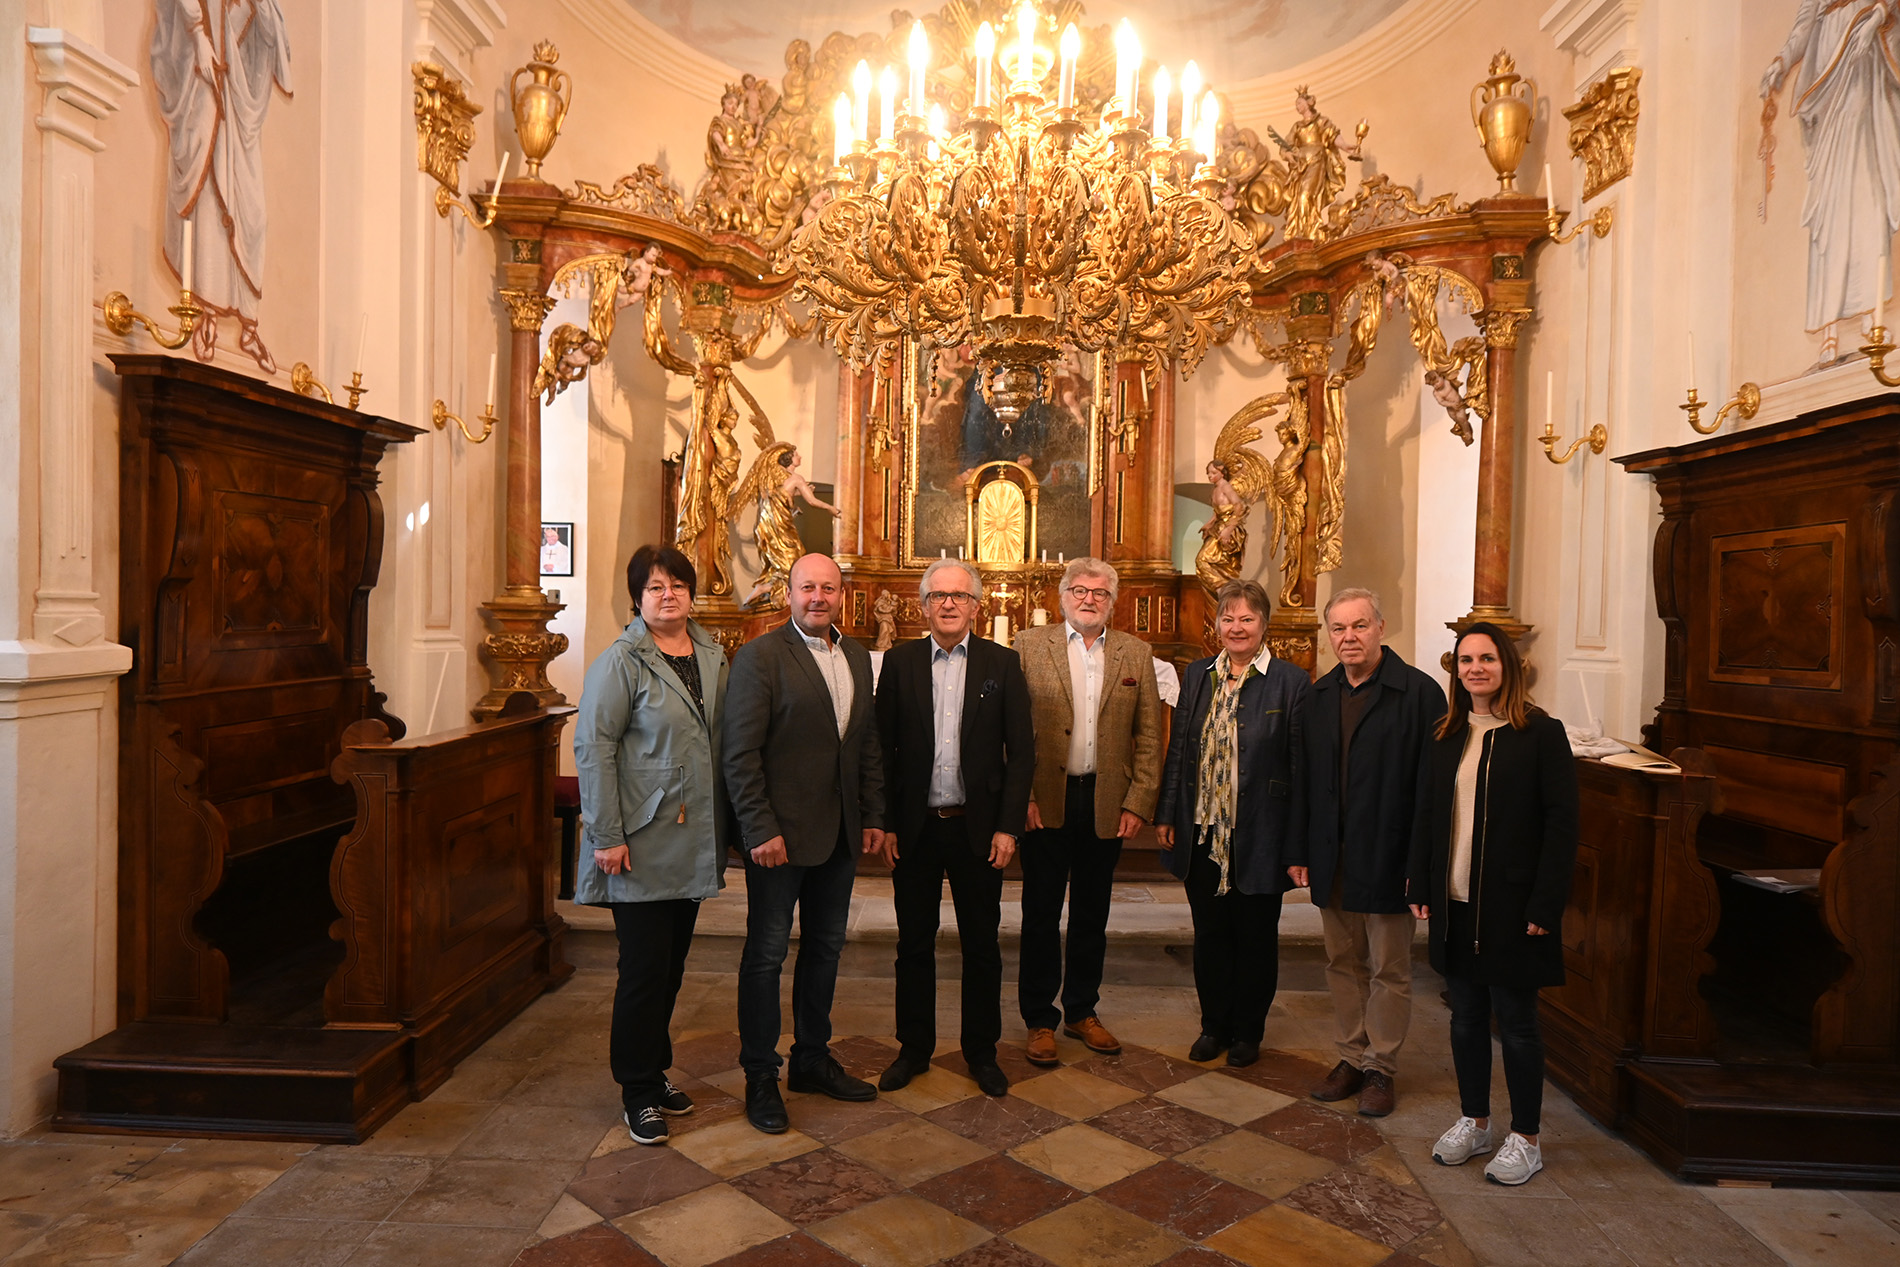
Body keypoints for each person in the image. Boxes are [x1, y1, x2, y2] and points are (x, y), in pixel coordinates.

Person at [1407, 622, 1579, 1186]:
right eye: (1465, 660)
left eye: (1487, 658)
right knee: (1465, 1017)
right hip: (1455, 900)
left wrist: (1545, 904)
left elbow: (1561, 825)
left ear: (1508, 665)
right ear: (1455, 670)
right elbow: (1427, 816)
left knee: (1519, 1022)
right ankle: (1475, 1120)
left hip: (1512, 903)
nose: (1476, 668)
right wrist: (1420, 884)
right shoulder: (1446, 733)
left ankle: (1526, 1137)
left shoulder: (1540, 733)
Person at [573, 545, 731, 1147]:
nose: (668, 595)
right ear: (637, 598)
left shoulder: (713, 654)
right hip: (638, 840)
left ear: (691, 593)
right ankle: (637, 1091)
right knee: (642, 970)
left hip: (691, 839)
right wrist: (606, 836)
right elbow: (594, 749)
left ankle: (654, 1069)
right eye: (655, 587)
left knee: (670, 967)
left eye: (678, 585)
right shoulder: (620, 662)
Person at [723, 554, 886, 1134]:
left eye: (828, 588)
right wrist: (758, 828)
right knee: (766, 956)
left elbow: (863, 744)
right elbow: (739, 753)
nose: (818, 597)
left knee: (825, 950)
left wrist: (871, 814)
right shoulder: (761, 656)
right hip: (780, 840)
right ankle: (760, 1074)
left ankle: (811, 1059)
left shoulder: (859, 656)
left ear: (843, 595)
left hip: (839, 834)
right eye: (807, 587)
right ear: (788, 593)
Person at [873, 558, 1034, 1097]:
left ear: (976, 607)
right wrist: (888, 823)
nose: (948, 604)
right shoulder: (898, 663)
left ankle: (981, 1052)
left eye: (959, 596)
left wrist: (1009, 827)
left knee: (982, 946)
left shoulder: (1002, 664)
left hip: (978, 830)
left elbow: (1023, 754)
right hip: (915, 830)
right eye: (938, 595)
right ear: (922, 606)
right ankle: (913, 1049)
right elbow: (883, 751)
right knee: (912, 944)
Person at [1286, 588, 1445, 1117]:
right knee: (1341, 961)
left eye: (1359, 626)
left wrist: (1420, 868)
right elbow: (1304, 780)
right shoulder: (1319, 693)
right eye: (1338, 629)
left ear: (1380, 627)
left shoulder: (1419, 694)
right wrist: (1301, 849)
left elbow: (1430, 791)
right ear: (1328, 635)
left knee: (1389, 969)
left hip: (1390, 856)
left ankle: (1382, 1066)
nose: (1348, 637)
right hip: (1333, 855)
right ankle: (1351, 1057)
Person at [1155, 579, 1310, 1068]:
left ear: (1264, 625)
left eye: (1246, 618)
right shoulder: (1198, 674)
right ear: (1216, 625)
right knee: (1211, 935)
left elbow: (1300, 764)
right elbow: (1180, 746)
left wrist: (1295, 843)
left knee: (1256, 938)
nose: (1236, 627)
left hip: (1260, 832)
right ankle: (1213, 1026)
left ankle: (1248, 1032)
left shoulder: (1290, 681)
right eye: (1228, 618)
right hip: (1203, 830)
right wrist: (1167, 811)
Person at [1014, 558, 1162, 1066]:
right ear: (1062, 596)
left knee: (1091, 915)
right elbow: (1012, 732)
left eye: (1099, 592)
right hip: (1045, 801)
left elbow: (1149, 736)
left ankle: (1081, 1010)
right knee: (1039, 914)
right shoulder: (1029, 647)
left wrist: (1138, 801)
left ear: (1112, 600)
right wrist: (1023, 798)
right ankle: (1038, 1018)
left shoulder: (1135, 653)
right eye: (1079, 590)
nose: (1088, 599)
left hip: (1105, 803)